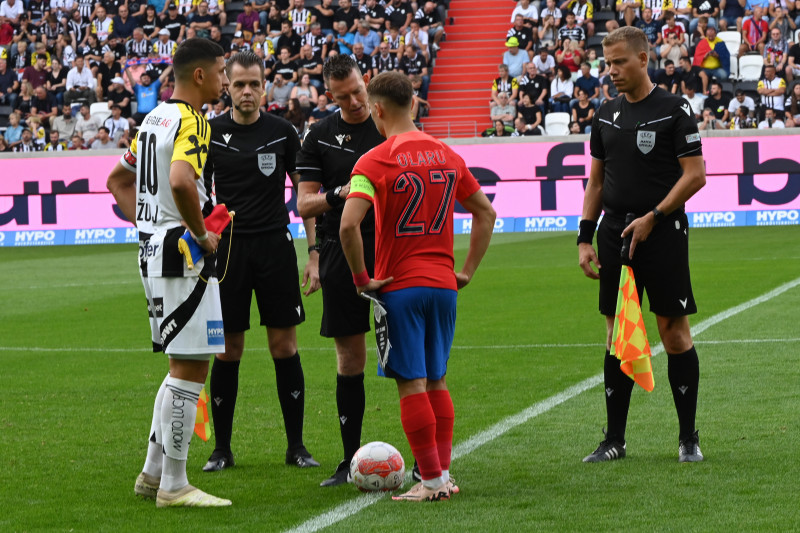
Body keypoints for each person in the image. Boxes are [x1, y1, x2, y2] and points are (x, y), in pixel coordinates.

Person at [339, 70, 496, 502]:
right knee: (437, 380)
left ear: (378, 109)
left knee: (410, 383)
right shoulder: (447, 154)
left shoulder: (373, 161)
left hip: (399, 288)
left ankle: (428, 482)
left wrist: (361, 280)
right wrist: (465, 271)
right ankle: (441, 475)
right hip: (443, 284)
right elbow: (486, 214)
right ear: (414, 104)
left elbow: (348, 225)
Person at [105, 38, 232, 508]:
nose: (222, 79)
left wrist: (147, 223)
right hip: (181, 254)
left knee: (182, 361)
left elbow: (116, 180)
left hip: (154, 248)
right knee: (193, 364)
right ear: (200, 76)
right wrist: (200, 233)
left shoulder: (153, 118)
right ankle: (174, 487)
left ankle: (152, 473)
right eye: (220, 71)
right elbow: (181, 180)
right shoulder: (191, 120)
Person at [578, 26, 706, 464]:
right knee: (618, 334)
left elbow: (695, 175)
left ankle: (688, 437)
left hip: (663, 232)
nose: (611, 71)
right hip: (614, 234)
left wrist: (655, 216)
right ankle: (614, 439)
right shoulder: (605, 113)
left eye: (619, 62)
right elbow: (596, 181)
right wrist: (584, 236)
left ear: (643, 58)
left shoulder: (674, 109)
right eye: (607, 63)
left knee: (672, 332)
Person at [198, 51, 320, 474]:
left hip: (274, 247)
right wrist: (202, 233)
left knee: (283, 346)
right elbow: (195, 192)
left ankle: (297, 447)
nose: (246, 92)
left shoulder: (283, 132)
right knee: (228, 350)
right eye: (238, 85)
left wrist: (314, 253)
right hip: (227, 252)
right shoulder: (210, 133)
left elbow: (305, 198)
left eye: (254, 84)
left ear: (265, 86)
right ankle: (222, 450)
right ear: (226, 87)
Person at [295, 54, 385, 487]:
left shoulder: (389, 124)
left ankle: (428, 461)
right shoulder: (319, 136)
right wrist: (340, 192)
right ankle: (350, 460)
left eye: (357, 91)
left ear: (365, 81)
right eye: (341, 96)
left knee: (409, 355)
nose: (352, 101)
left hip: (390, 247)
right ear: (328, 95)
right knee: (350, 359)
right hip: (337, 249)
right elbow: (304, 204)